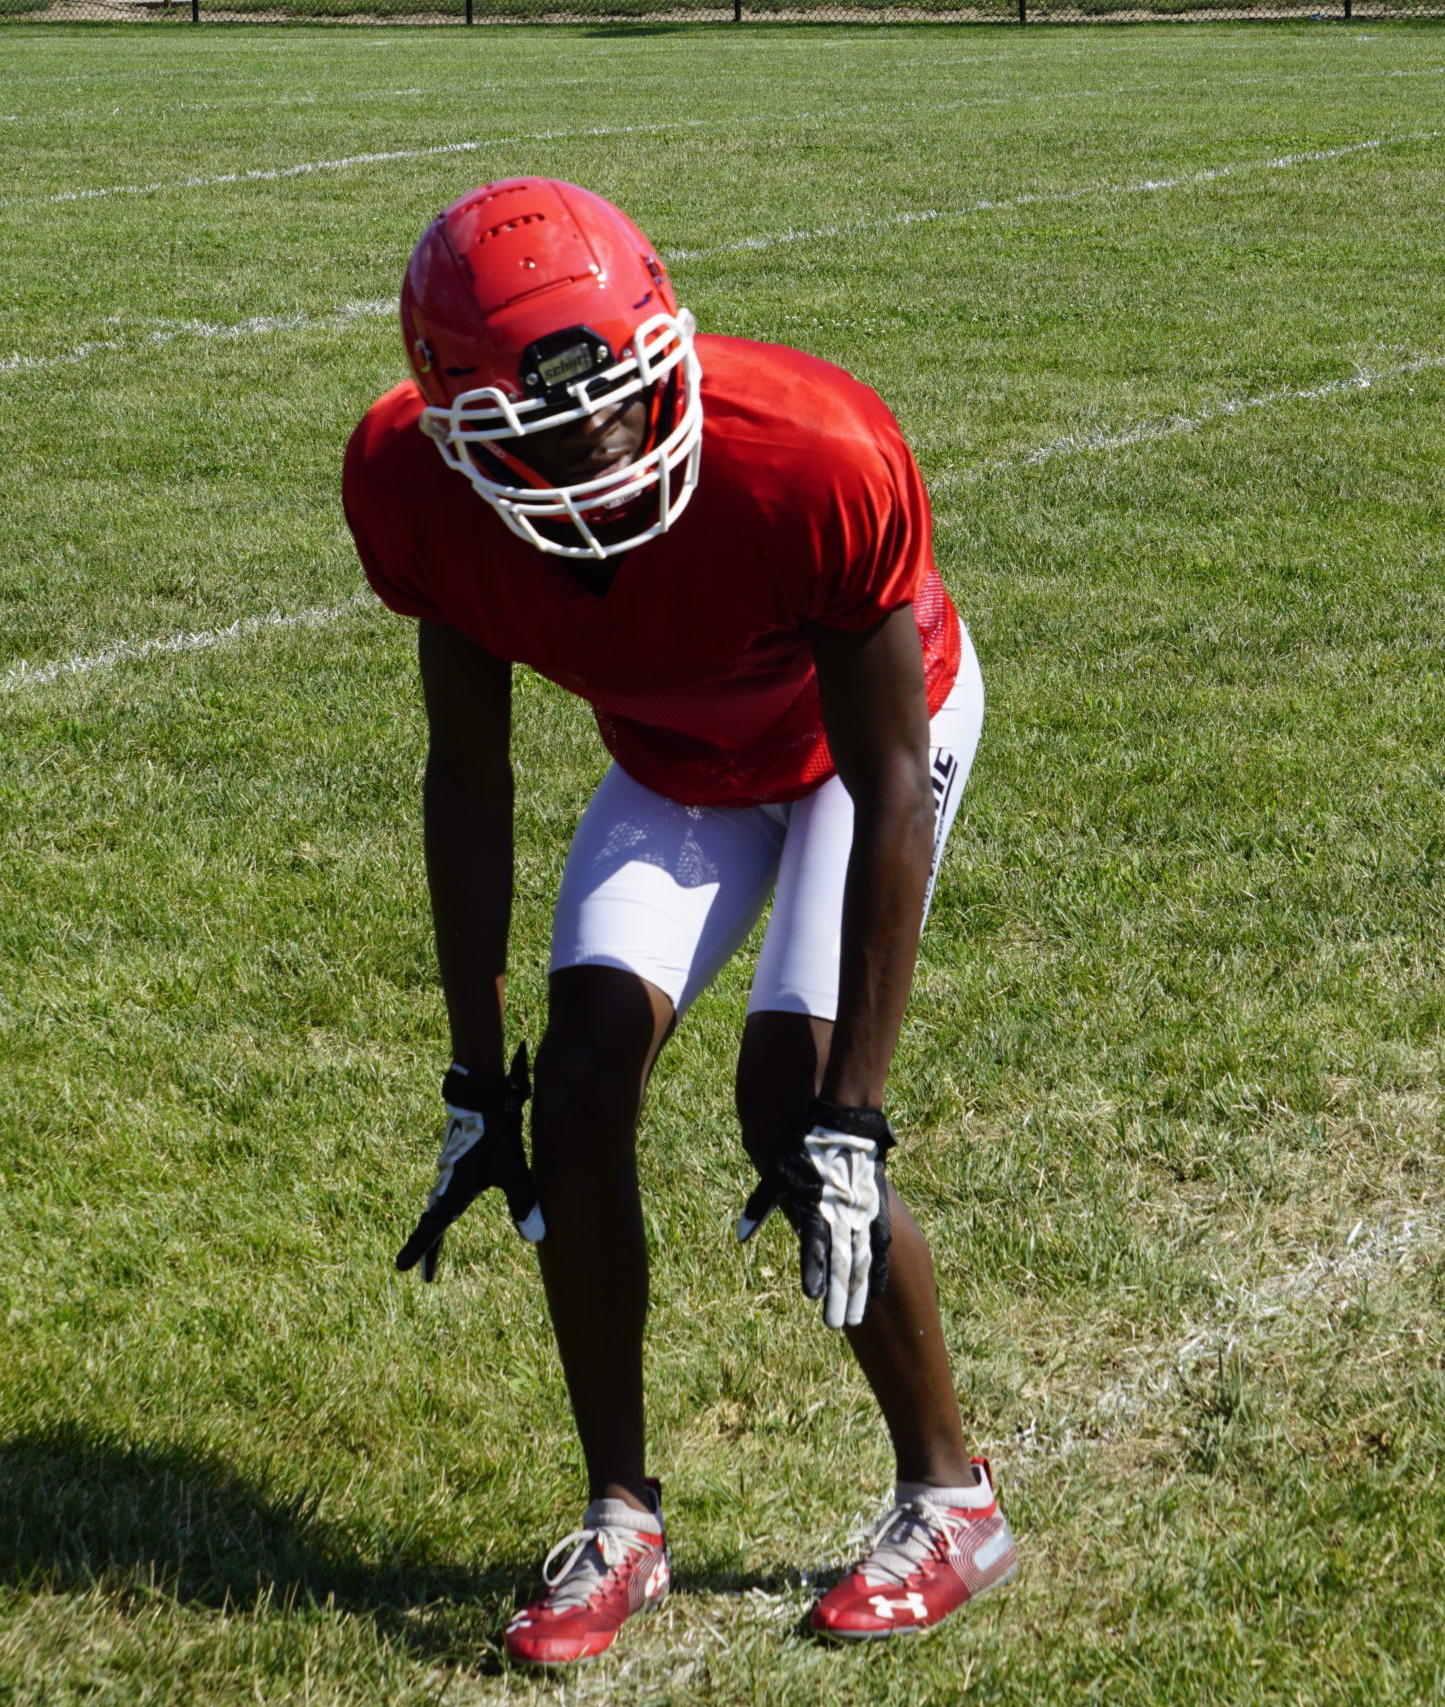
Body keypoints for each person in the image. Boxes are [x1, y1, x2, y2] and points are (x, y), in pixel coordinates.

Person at [341, 177, 1014, 1668]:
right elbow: (470, 773)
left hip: (856, 748)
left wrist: (857, 1110)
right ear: (453, 425)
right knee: (577, 1081)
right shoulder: (413, 488)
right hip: (679, 759)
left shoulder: (813, 453)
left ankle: (952, 1496)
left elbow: (893, 781)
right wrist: (474, 1074)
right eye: (536, 432)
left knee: (788, 1100)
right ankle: (620, 1517)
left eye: (613, 404)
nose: (592, 453)